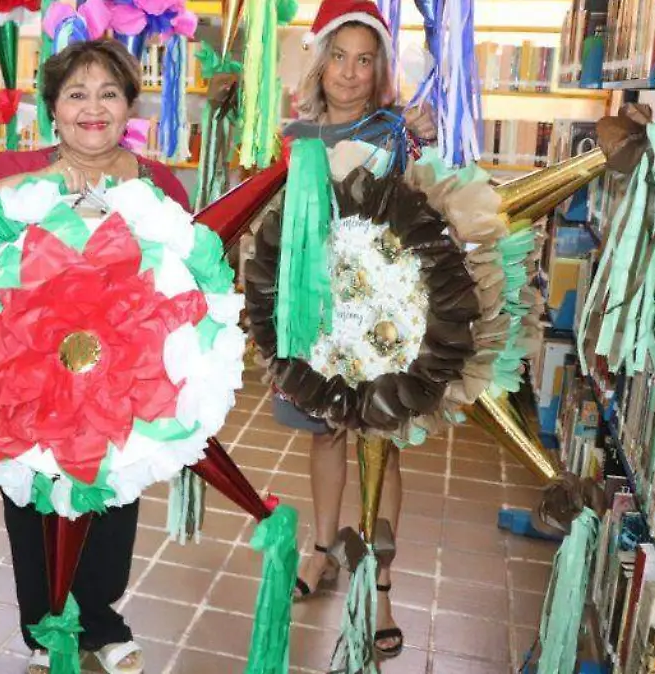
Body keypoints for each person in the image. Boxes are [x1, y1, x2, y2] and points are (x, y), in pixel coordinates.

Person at [0, 38, 189, 674]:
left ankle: (101, 618)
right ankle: (44, 631)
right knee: (34, 499)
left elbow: (190, 266)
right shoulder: (23, 163)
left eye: (108, 93)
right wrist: (35, 182)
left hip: (120, 374)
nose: (92, 108)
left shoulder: (159, 180)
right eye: (76, 94)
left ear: (129, 105)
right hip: (32, 372)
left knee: (112, 493)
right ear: (54, 109)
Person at [253, 0, 437, 661]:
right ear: (319, 59)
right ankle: (325, 547)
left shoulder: (400, 131)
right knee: (325, 431)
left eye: (366, 60)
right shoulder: (294, 135)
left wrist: (426, 134)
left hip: (384, 318)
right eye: (340, 56)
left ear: (381, 67)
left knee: (380, 442)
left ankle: (378, 578)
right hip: (316, 312)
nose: (351, 73)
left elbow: (430, 201)